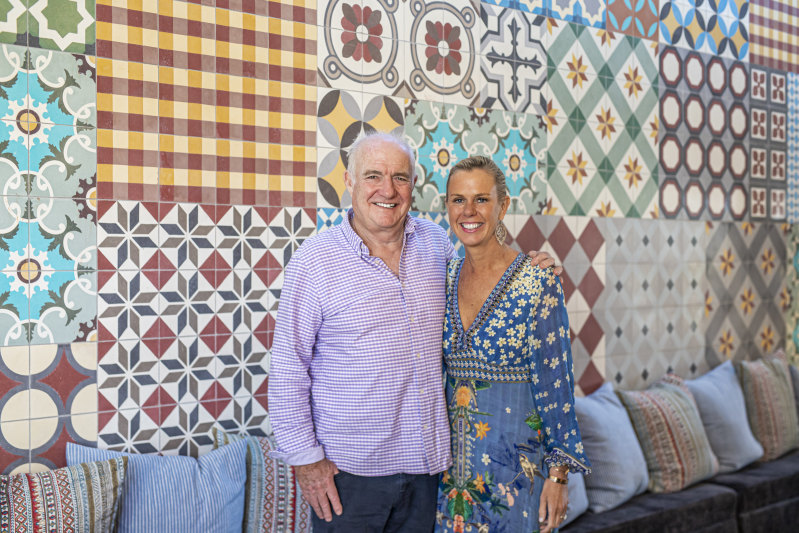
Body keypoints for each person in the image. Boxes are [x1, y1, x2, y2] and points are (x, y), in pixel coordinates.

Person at [268, 131, 559, 532]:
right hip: (348, 478)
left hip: (429, 475)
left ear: (412, 186)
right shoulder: (314, 263)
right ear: (349, 182)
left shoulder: (437, 245)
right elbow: (287, 369)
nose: (387, 190)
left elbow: (484, 280)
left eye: (400, 177)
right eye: (373, 176)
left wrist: (532, 267)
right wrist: (305, 459)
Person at [435, 156, 590, 533]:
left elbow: (557, 387)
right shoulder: (442, 274)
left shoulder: (537, 281)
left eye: (481, 199)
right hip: (450, 481)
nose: (468, 211)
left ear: (503, 206)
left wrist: (558, 478)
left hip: (516, 477)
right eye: (458, 200)